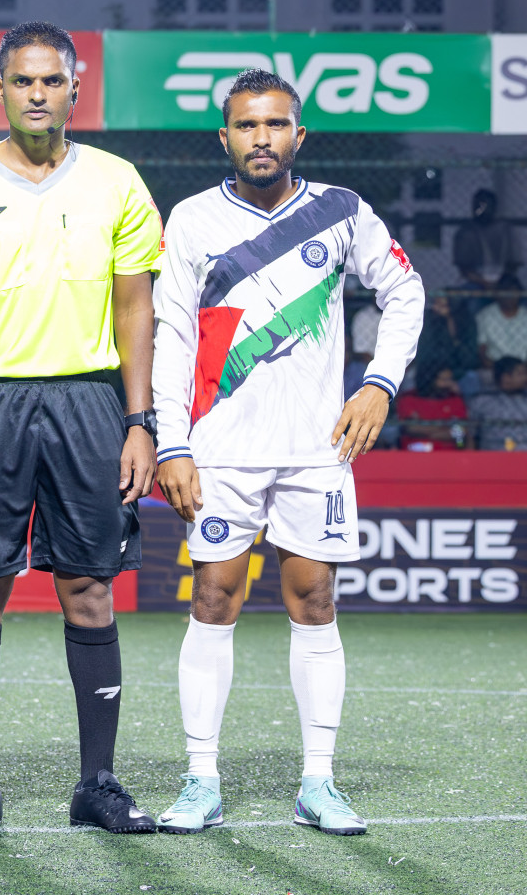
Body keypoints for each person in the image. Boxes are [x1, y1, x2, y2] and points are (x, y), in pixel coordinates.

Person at [152, 69, 424, 838]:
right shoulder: (195, 219)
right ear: (225, 137)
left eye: (276, 125)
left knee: (315, 603)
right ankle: (200, 778)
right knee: (213, 603)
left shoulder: (342, 210)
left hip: (315, 451)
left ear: (298, 135)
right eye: (247, 126)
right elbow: (170, 334)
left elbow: (405, 292)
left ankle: (319, 783)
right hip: (222, 450)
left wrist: (378, 384)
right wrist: (173, 441)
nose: (261, 138)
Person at [0, 21, 162, 837]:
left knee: (89, 589)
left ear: (74, 89)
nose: (35, 94)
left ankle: (97, 783)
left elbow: (136, 308)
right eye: (21, 81)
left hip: (89, 403)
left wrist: (139, 420)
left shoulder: (119, 182)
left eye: (50, 81)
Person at [452, 189, 519, 292]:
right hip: (475, 282)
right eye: (478, 205)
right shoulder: (465, 232)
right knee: (470, 301)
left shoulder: (505, 229)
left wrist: (500, 283)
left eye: (486, 205)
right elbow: (464, 269)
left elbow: (513, 264)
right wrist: (484, 283)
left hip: (504, 281)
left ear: (494, 207)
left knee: (516, 296)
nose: (482, 210)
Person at [397, 365, 470, 451]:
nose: (449, 384)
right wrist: (446, 428)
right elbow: (411, 428)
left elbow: (461, 431)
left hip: (449, 453)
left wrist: (428, 430)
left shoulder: (455, 400)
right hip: (415, 452)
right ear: (430, 380)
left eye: (450, 379)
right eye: (444, 380)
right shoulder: (409, 398)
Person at [470, 357, 527, 451]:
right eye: (521, 374)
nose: (525, 378)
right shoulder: (482, 401)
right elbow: (471, 434)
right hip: (494, 456)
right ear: (506, 378)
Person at [475, 273, 527, 372]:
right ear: (497, 294)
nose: (509, 297)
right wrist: (499, 370)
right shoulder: (485, 316)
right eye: (505, 292)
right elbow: (481, 350)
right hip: (496, 369)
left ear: (520, 294)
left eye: (513, 292)